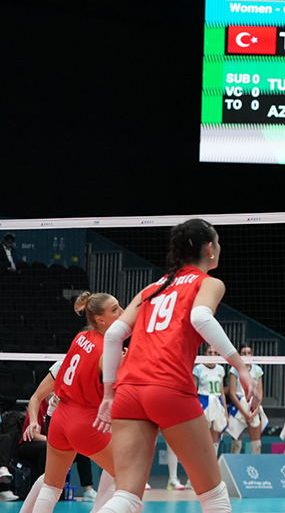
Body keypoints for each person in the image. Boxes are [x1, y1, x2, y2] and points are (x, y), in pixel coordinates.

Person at [92, 218, 260, 513]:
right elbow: (201, 318)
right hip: (168, 387)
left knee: (127, 497)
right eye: (218, 242)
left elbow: (114, 334)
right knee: (214, 498)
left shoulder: (152, 288)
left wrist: (108, 394)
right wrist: (241, 368)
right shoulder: (208, 283)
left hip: (128, 390)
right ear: (209, 249)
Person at [26, 292, 123, 513]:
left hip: (60, 416)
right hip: (84, 421)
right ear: (100, 319)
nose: (122, 312)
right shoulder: (109, 351)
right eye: (115, 309)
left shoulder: (81, 337)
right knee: (129, 477)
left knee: (51, 487)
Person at [226, 344, 266, 454]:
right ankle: (234, 464)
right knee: (236, 444)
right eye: (243, 353)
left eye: (249, 353)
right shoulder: (234, 369)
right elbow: (232, 393)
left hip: (253, 406)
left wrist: (254, 412)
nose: (246, 355)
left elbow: (260, 393)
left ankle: (255, 464)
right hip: (239, 406)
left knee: (256, 444)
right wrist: (245, 413)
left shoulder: (257, 370)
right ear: (239, 355)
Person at [194, 345, 228, 448]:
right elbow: (193, 391)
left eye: (215, 353)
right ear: (205, 354)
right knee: (203, 435)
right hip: (203, 402)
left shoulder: (220, 369)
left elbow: (222, 392)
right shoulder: (198, 369)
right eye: (210, 352)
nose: (212, 355)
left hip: (217, 402)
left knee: (215, 433)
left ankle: (214, 457)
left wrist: (226, 413)